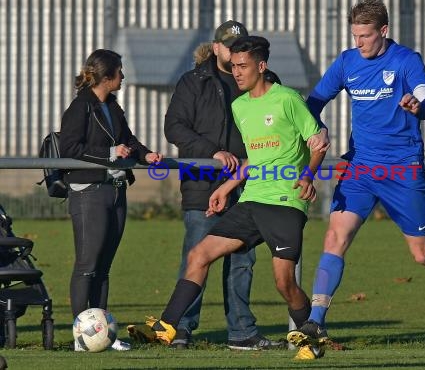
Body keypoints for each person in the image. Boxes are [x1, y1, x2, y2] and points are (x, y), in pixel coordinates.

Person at [287, 0, 425, 359]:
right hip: (361, 166)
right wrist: (316, 128)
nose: (358, 42)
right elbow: (313, 102)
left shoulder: (407, 60)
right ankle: (316, 321)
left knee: (423, 254)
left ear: (384, 31)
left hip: (402, 169)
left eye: (365, 35)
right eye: (354, 35)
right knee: (334, 235)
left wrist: (417, 107)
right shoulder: (347, 61)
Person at [127, 36, 326, 354]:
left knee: (283, 283)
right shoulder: (240, 106)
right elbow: (255, 159)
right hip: (251, 201)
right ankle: (166, 327)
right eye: (233, 66)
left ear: (261, 66)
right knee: (198, 255)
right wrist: (226, 187)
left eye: (243, 66)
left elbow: (318, 141)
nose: (237, 72)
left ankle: (313, 336)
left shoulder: (288, 99)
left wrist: (307, 175)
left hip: (285, 202)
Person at [163, 20, 284, 350]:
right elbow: (174, 127)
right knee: (197, 255)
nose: (234, 53)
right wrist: (212, 152)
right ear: (215, 48)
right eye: (229, 46)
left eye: (240, 46)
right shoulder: (193, 83)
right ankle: (182, 328)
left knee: (243, 259)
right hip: (204, 183)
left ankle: (242, 332)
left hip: (248, 185)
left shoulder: (261, 82)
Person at [59, 49, 163, 352]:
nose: (123, 77)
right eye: (120, 71)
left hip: (115, 190)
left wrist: (146, 155)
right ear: (107, 77)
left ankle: (103, 333)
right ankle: (82, 336)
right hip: (89, 193)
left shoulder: (113, 107)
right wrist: (109, 155)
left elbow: (128, 141)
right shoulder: (80, 108)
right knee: (87, 265)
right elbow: (70, 148)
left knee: (103, 267)